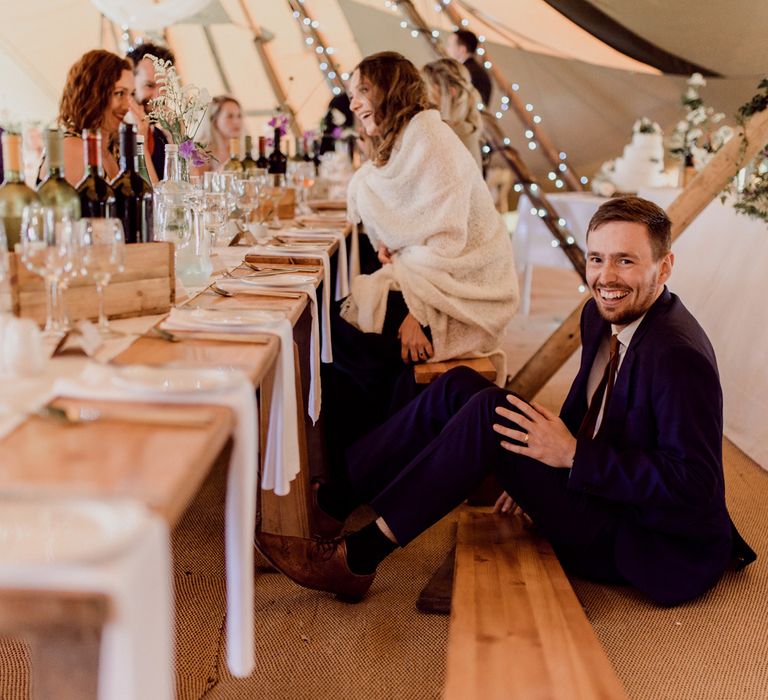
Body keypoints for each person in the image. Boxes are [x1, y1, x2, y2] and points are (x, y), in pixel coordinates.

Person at [257, 196, 756, 606]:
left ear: (664, 266)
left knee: (486, 416)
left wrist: (572, 459)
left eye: (627, 260)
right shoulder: (598, 313)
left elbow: (693, 485)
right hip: (596, 484)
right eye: (597, 258)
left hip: (642, 536)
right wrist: (537, 463)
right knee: (456, 387)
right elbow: (585, 408)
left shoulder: (677, 357)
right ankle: (337, 499)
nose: (607, 276)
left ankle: (358, 558)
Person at [321, 51, 517, 467]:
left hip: (465, 290)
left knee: (340, 339)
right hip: (432, 278)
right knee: (342, 335)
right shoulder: (408, 139)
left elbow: (449, 241)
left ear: (390, 90)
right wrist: (398, 246)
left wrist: (419, 312)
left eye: (363, 90)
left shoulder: (431, 139)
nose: (353, 102)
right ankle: (362, 459)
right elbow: (417, 220)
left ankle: (355, 471)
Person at [58, 49, 156, 186]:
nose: (128, 106)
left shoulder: (114, 146)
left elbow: (152, 198)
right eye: (120, 93)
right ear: (93, 94)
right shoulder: (72, 148)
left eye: (131, 94)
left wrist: (141, 142)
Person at [125, 42, 175, 181]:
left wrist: (175, 140)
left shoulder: (161, 136)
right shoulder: (118, 137)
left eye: (164, 87)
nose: (159, 96)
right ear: (129, 83)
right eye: (150, 85)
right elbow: (150, 195)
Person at [422, 58, 483, 168]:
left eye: (428, 90)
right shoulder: (468, 130)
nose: (423, 98)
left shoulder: (448, 136)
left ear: (451, 92)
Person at [193, 95, 243, 174]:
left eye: (239, 116)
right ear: (215, 120)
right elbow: (197, 183)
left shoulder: (241, 150)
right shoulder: (202, 152)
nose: (236, 122)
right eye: (230, 116)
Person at [446, 29, 492, 107]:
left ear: (462, 49)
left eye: (449, 45)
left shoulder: (467, 72)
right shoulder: (475, 69)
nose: (446, 49)